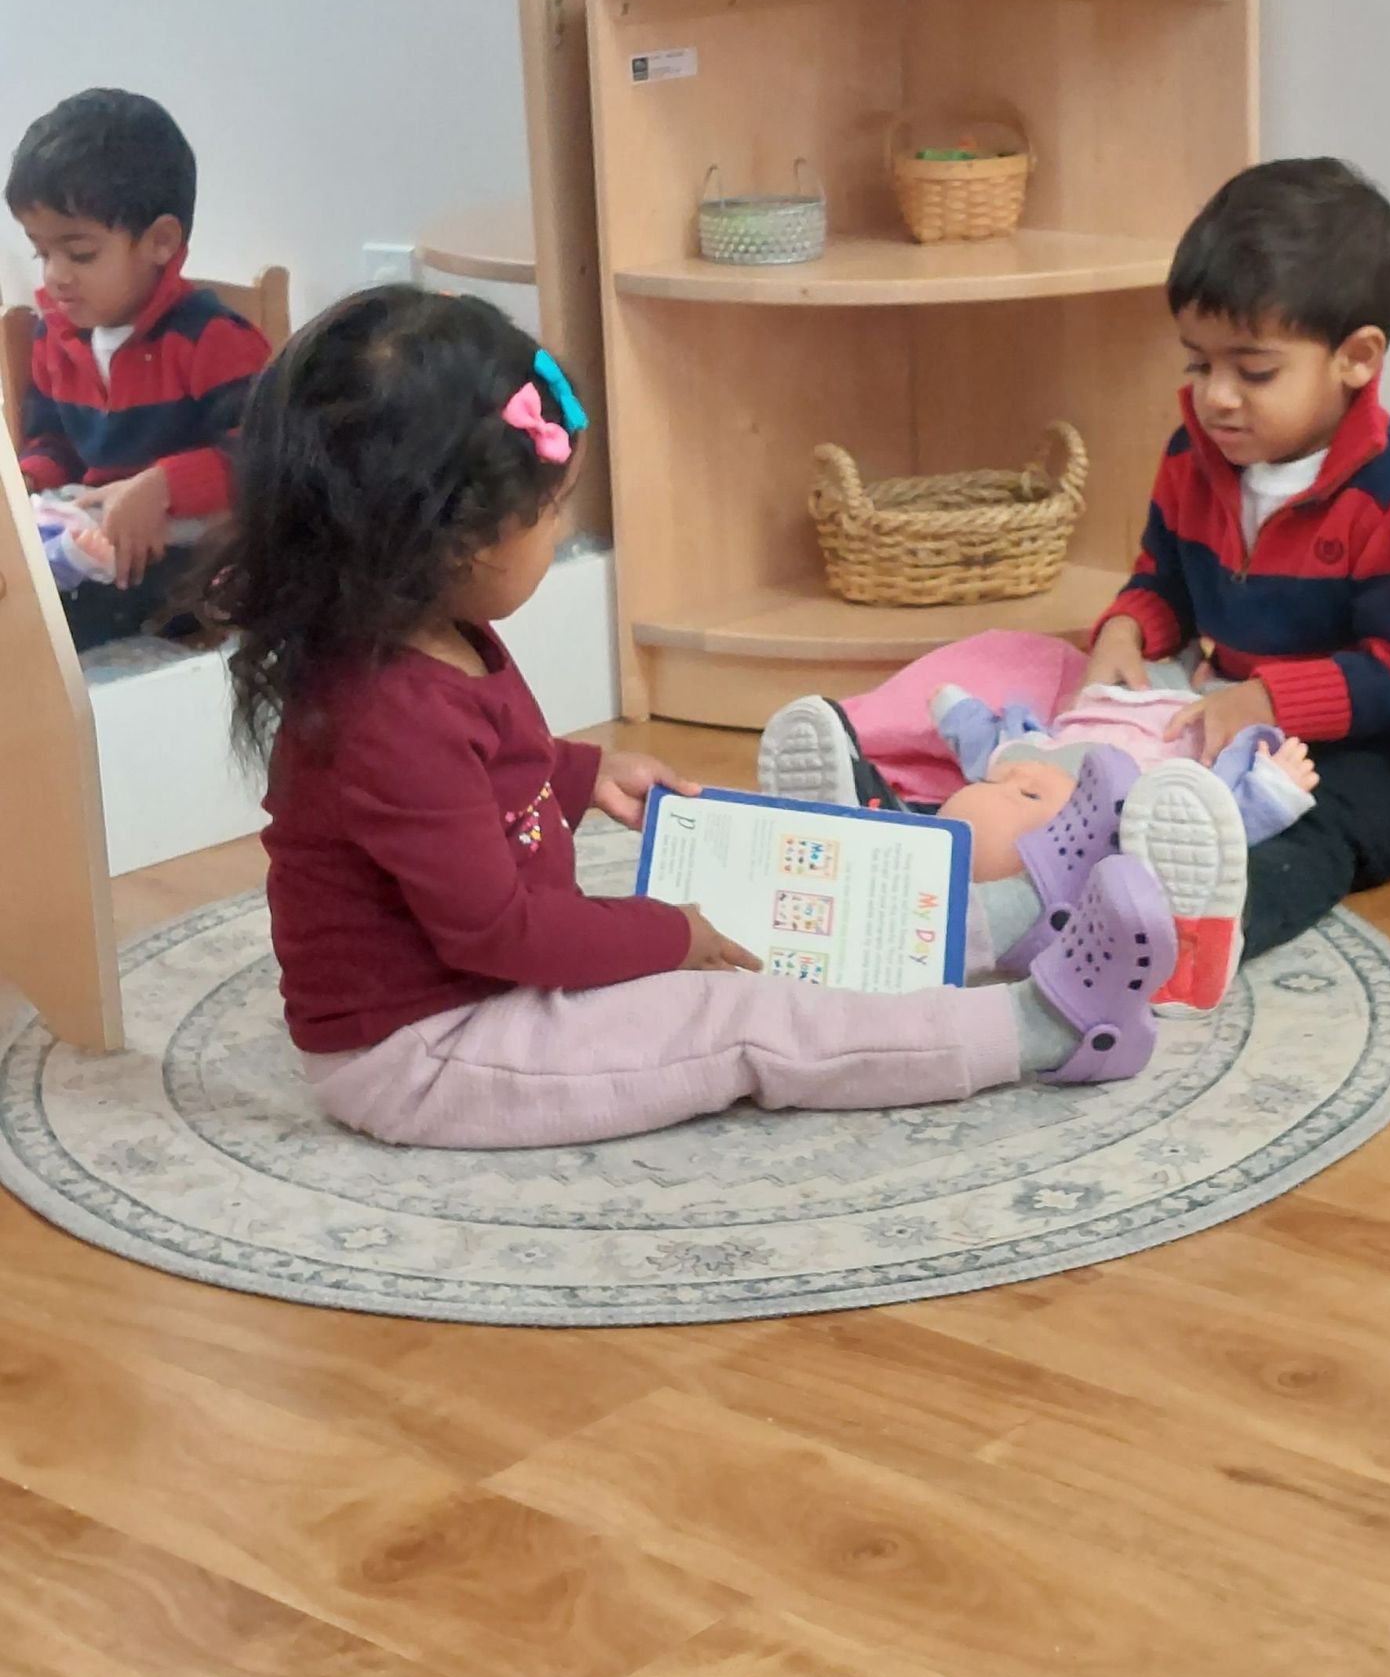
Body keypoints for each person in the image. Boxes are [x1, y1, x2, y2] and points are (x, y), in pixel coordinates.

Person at [217, 287, 1207, 1153]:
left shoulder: (434, 634)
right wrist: (667, 937)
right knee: (743, 1011)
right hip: (431, 1049)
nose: (560, 532)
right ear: (448, 541)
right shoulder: (384, 713)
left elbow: (482, 771)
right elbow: (502, 932)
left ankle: (1027, 915)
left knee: (780, 910)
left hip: (497, 983)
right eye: (552, 512)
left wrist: (579, 775)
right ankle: (1049, 1028)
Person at [761, 159, 1390, 1010]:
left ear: (1356, 359)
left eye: (1254, 371)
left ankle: (1198, 926)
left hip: (1342, 754)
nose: (1216, 398)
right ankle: (870, 777)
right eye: (1200, 363)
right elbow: (1160, 583)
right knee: (1021, 663)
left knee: (1325, 831)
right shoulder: (1196, 458)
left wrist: (1272, 705)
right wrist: (1127, 632)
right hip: (1196, 710)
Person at [5, 88, 271, 650]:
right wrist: (28, 479)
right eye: (40, 252)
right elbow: (54, 439)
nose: (55, 276)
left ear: (160, 242)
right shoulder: (54, 334)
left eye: (80, 255)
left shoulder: (213, 339)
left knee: (41, 630)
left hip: (187, 553)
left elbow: (266, 456)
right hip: (94, 534)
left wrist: (163, 486)